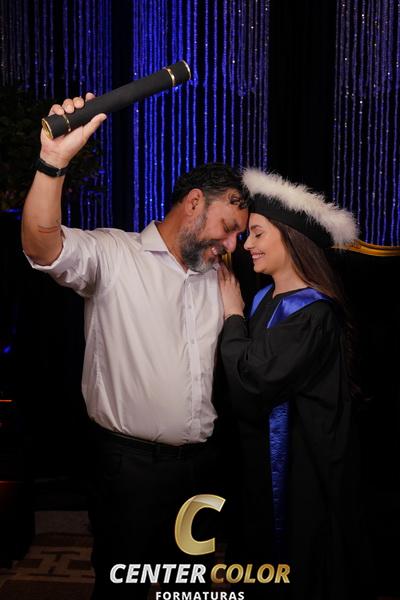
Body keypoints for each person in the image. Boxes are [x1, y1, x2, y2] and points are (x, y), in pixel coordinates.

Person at [21, 93, 249, 599]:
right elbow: (42, 245)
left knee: (187, 590)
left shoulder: (220, 277)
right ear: (194, 203)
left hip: (201, 468)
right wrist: (52, 163)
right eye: (228, 228)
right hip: (129, 471)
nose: (232, 244)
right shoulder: (115, 255)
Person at [217, 169, 373, 600]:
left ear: (291, 238)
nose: (246, 245)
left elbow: (253, 378)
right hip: (259, 467)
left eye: (258, 234)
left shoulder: (313, 313)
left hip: (299, 473)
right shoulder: (265, 299)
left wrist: (232, 316)